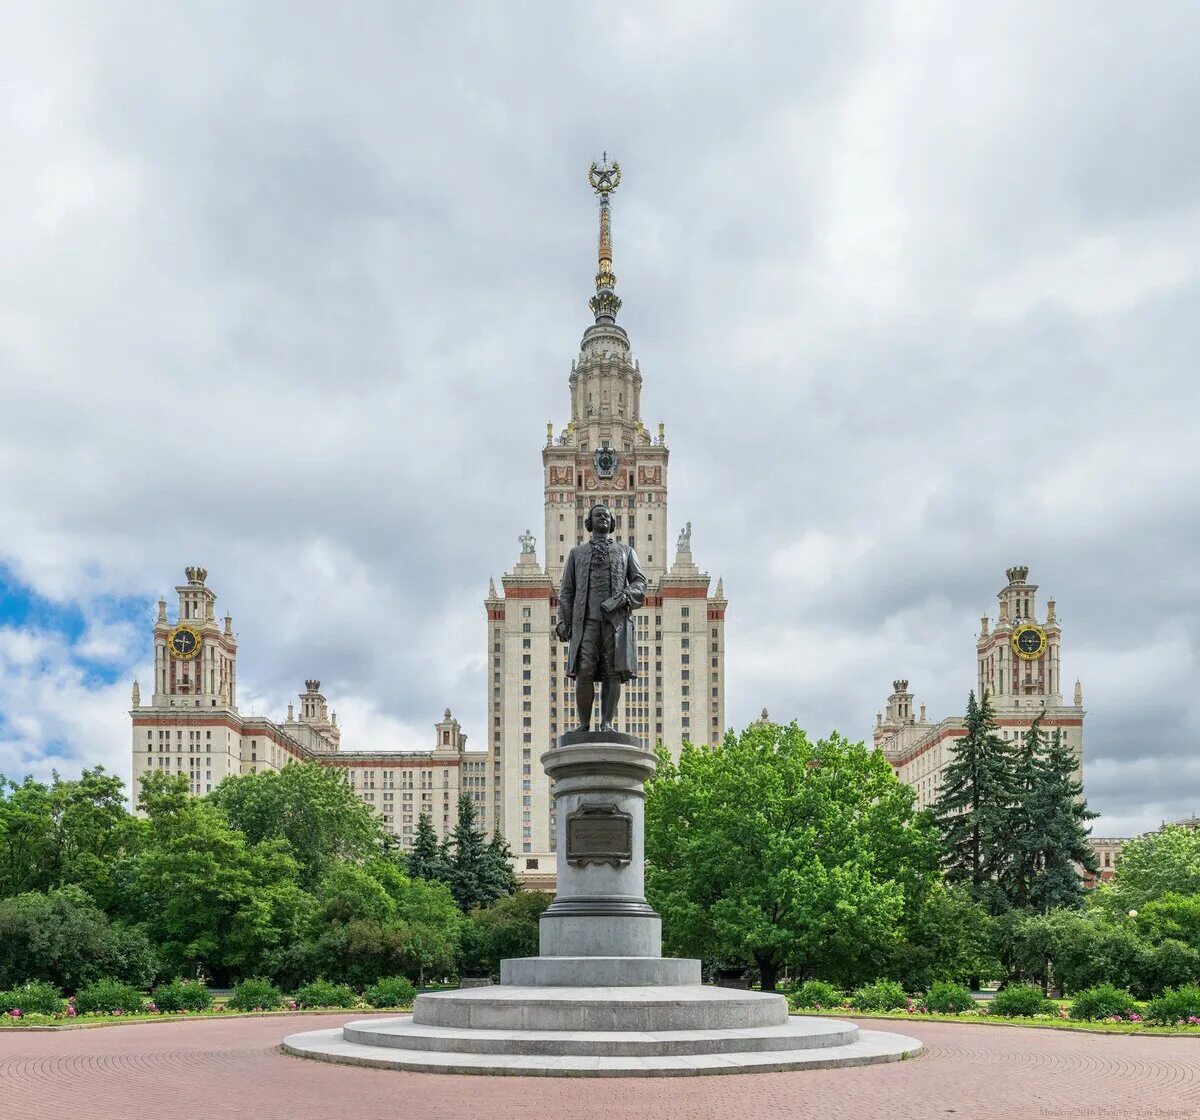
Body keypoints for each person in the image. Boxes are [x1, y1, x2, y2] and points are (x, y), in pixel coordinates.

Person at [555, 503, 647, 731]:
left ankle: (606, 723)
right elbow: (567, 590)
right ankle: (584, 725)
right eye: (598, 515)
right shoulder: (577, 554)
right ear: (589, 522)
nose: (603, 518)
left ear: (612, 522)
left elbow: (640, 583)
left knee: (612, 671)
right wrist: (562, 620)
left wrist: (623, 597)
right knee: (584, 669)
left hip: (615, 622)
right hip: (586, 621)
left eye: (607, 515)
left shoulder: (626, 552)